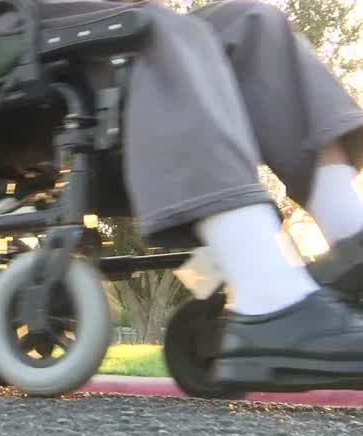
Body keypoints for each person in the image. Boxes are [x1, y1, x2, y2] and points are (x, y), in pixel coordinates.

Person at [43, 0, 363, 390]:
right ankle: (269, 300)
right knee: (154, 30)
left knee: (252, 22)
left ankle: (352, 239)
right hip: (1, 28)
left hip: (81, 32)